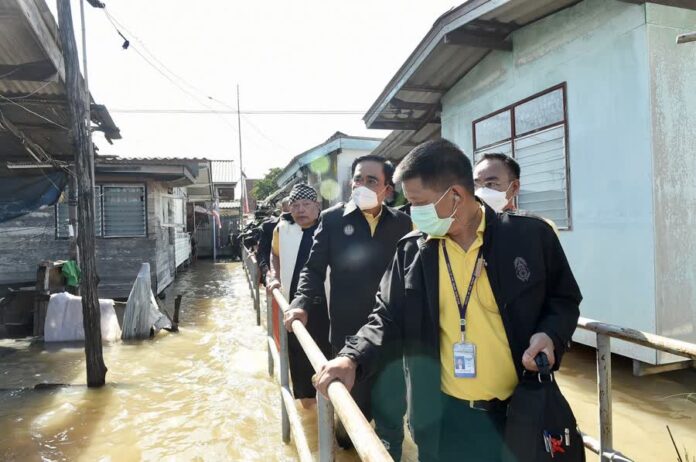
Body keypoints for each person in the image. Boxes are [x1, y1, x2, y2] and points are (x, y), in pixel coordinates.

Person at [313, 140, 582, 462]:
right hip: (442, 418)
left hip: (518, 412)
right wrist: (351, 357)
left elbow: (564, 298)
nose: (413, 213)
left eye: (419, 203)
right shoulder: (412, 251)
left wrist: (550, 334)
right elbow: (387, 315)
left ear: (455, 196)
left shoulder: (529, 237)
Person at [284, 155, 412, 457]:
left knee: (392, 416)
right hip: (347, 334)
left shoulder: (402, 223)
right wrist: (301, 302)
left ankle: (389, 449)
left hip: (392, 334)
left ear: (387, 189)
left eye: (372, 180)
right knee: (348, 422)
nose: (362, 185)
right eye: (357, 178)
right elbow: (313, 269)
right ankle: (345, 443)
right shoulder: (332, 219)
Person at [267, 184, 331, 409]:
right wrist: (274, 276)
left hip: (328, 304)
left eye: (306, 205)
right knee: (299, 357)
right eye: (295, 205)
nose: (300, 210)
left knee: (327, 355)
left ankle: (330, 410)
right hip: (293, 305)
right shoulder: (282, 229)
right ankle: (308, 409)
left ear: (317, 206)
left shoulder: (330, 226)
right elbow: (274, 255)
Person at [474, 153, 559, 234]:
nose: (480, 192)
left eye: (491, 184)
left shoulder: (539, 228)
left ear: (514, 187)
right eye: (475, 185)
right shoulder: (466, 228)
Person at [258, 198, 291, 285]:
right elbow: (262, 253)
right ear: (282, 209)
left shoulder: (305, 225)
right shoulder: (268, 227)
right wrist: (267, 272)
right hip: (274, 274)